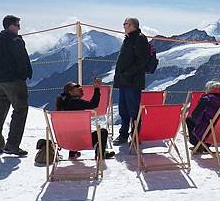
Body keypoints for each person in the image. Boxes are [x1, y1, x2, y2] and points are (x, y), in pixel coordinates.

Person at [0, 15, 32, 156]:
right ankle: (12, 145)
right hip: (14, 81)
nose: (19, 27)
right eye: (17, 25)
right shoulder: (15, 41)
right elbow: (22, 60)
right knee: (20, 110)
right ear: (11, 26)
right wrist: (24, 75)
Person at [54, 78, 116, 159]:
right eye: (77, 89)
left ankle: (73, 153)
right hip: (82, 141)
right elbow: (93, 104)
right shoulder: (75, 102)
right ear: (70, 92)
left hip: (66, 141)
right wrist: (97, 89)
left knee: (73, 131)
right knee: (103, 132)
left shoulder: (62, 104)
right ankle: (101, 154)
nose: (80, 90)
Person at [112, 17, 150, 145]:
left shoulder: (139, 38)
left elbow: (142, 60)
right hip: (125, 81)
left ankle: (135, 136)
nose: (124, 26)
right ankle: (123, 135)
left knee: (133, 110)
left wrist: (128, 73)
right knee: (123, 110)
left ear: (133, 25)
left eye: (126, 24)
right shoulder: (129, 38)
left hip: (132, 82)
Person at [185, 81, 220, 152]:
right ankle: (205, 145)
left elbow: (195, 115)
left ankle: (198, 144)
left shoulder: (207, 99)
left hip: (207, 134)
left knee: (189, 120)